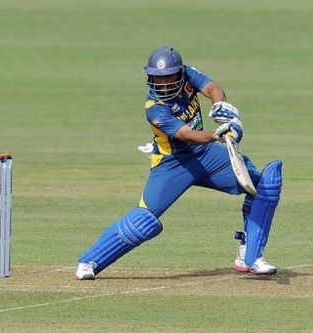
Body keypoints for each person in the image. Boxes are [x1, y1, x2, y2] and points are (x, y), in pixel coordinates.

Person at [75, 47, 282, 280]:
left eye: (167, 77)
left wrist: (219, 107)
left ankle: (250, 255)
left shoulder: (188, 75)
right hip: (172, 164)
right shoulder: (153, 108)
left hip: (206, 155)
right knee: (143, 221)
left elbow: (214, 89)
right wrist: (217, 135)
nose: (162, 83)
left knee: (264, 185)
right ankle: (89, 261)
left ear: (179, 73)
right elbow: (186, 135)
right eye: (157, 77)